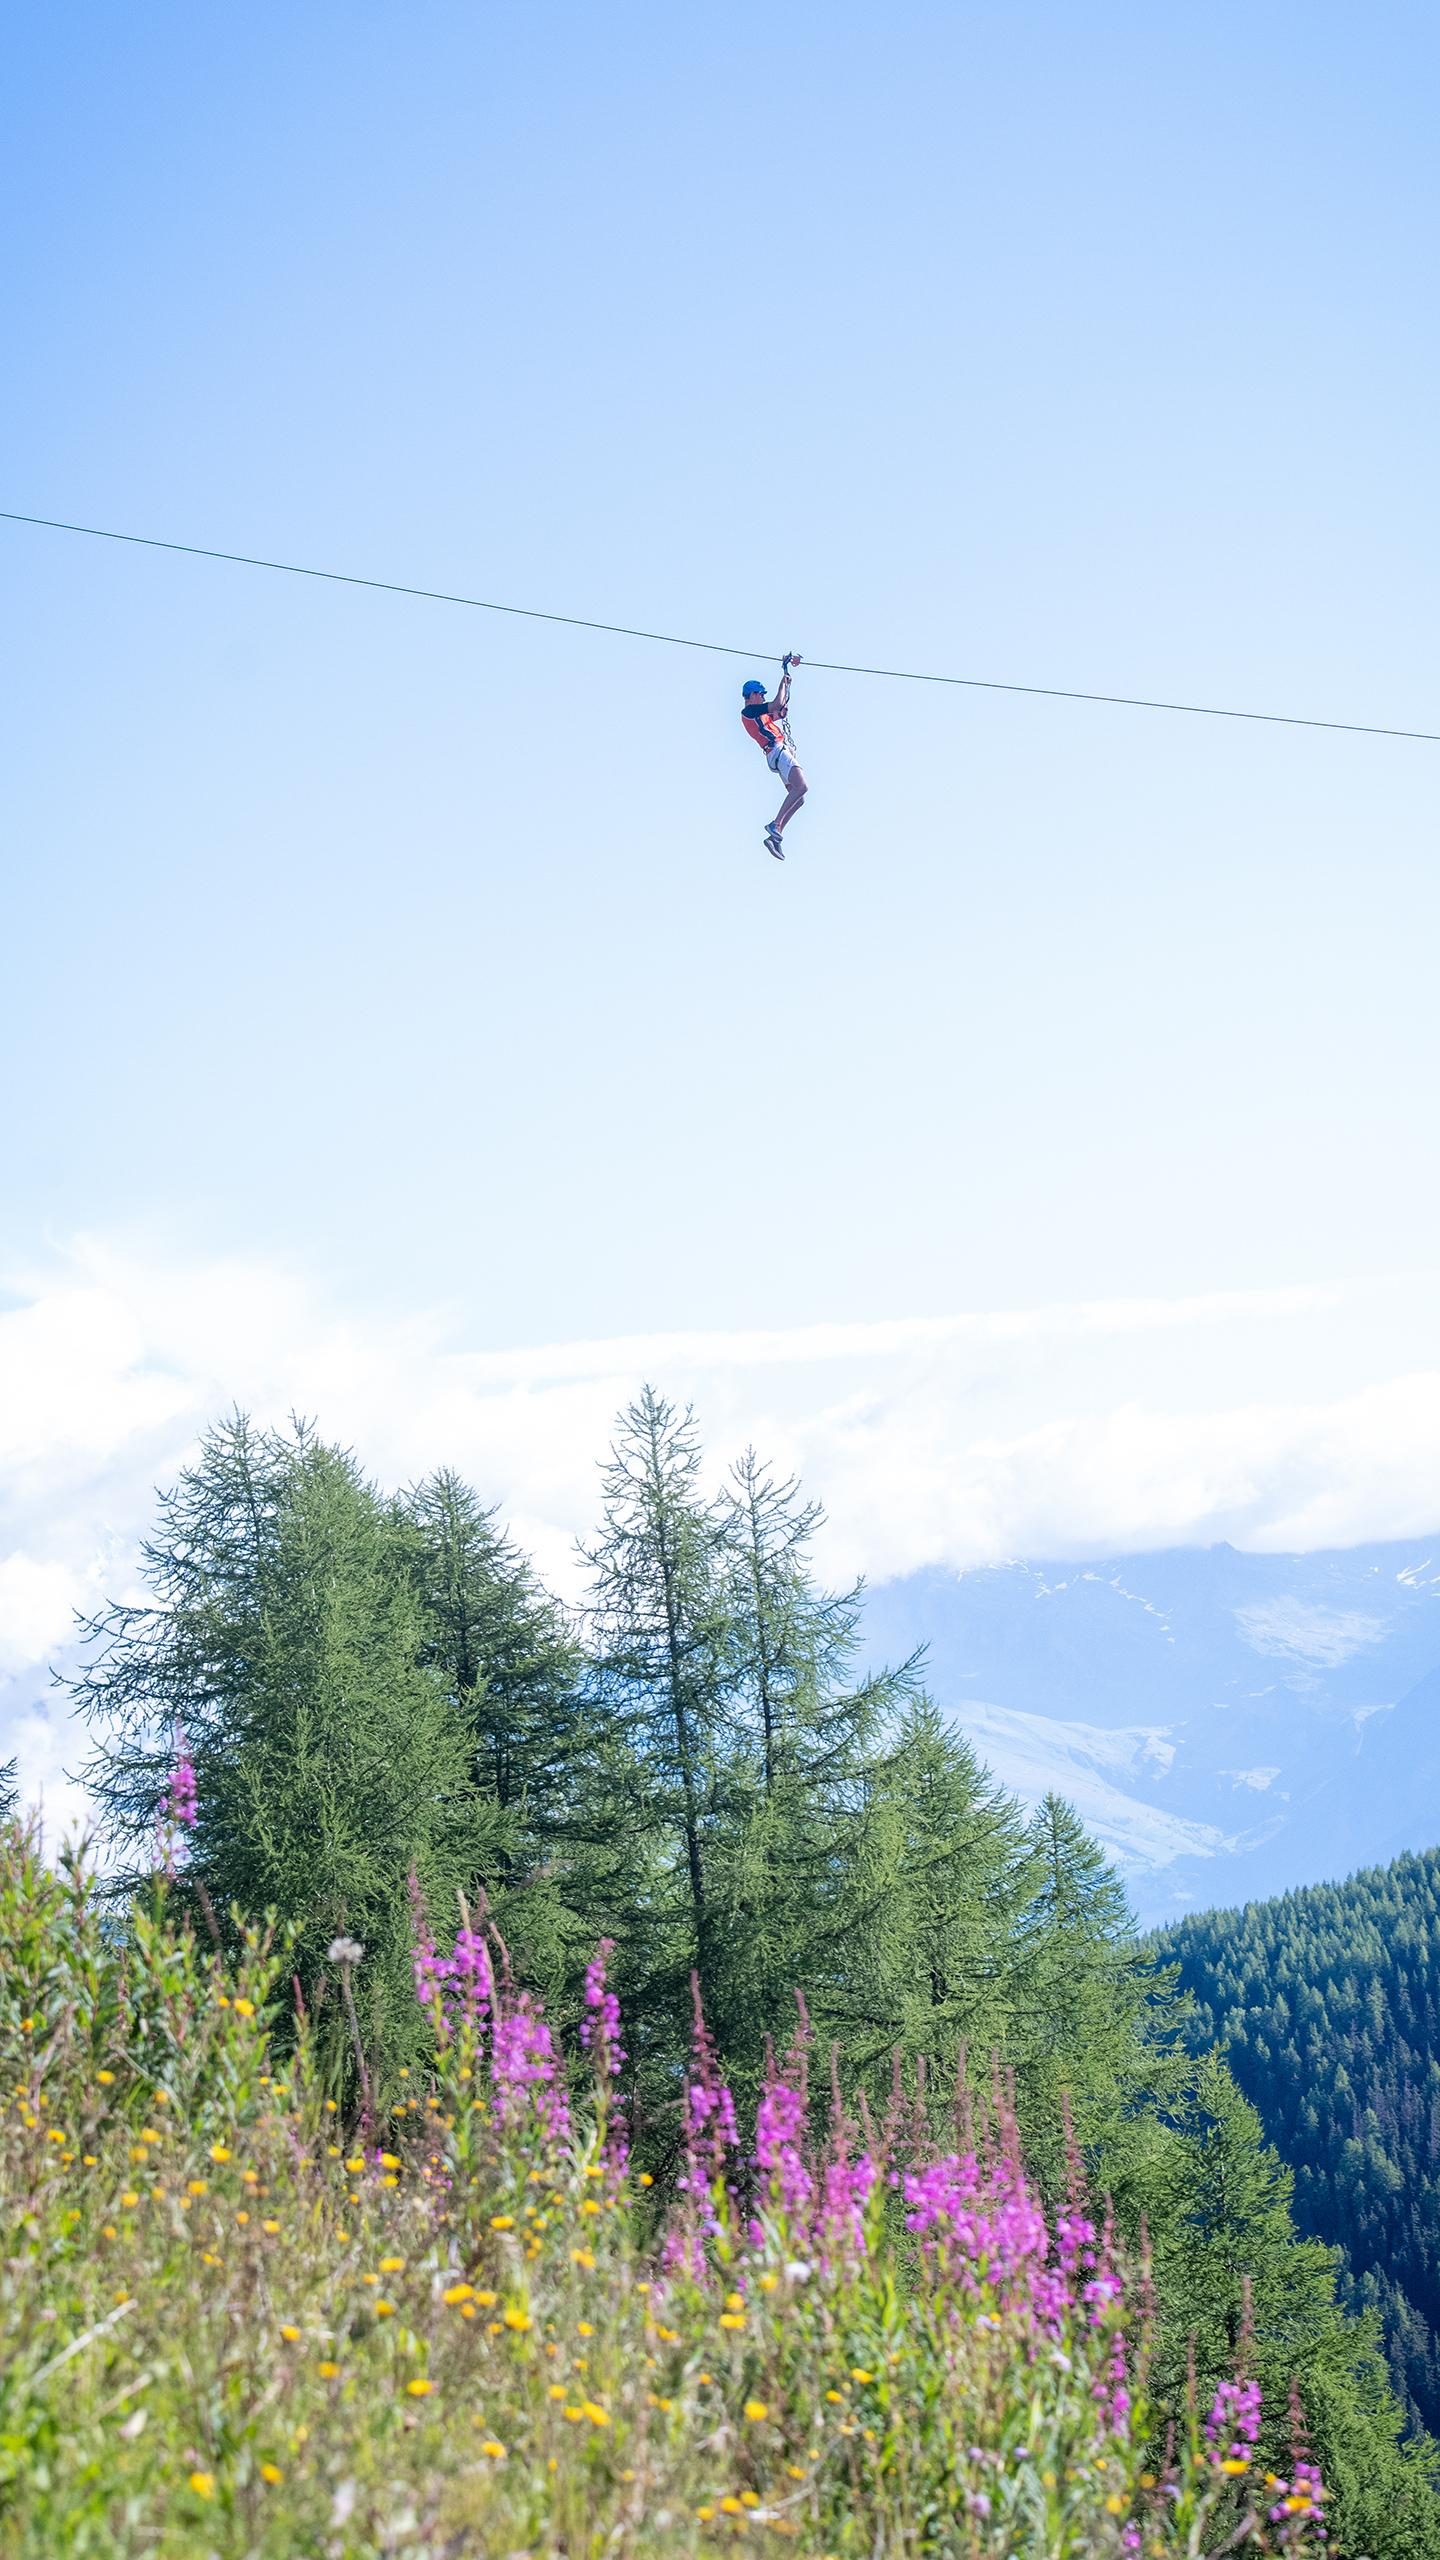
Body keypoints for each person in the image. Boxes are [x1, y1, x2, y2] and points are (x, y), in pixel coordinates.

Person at [741, 654, 807, 859]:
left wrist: (786, 676)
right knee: (802, 787)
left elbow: (780, 709)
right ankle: (775, 824)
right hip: (777, 751)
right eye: (760, 694)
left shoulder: (758, 713)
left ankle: (776, 835)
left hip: (776, 754)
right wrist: (782, 683)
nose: (762, 697)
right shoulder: (750, 711)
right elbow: (776, 702)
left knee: (800, 798)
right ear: (751, 695)